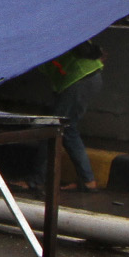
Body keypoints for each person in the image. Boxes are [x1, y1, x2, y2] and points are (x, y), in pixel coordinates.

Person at [35, 40, 103, 190]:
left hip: (78, 78)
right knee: (67, 129)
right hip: (87, 76)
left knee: (55, 128)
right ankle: (87, 181)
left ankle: (37, 181)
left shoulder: (46, 34)